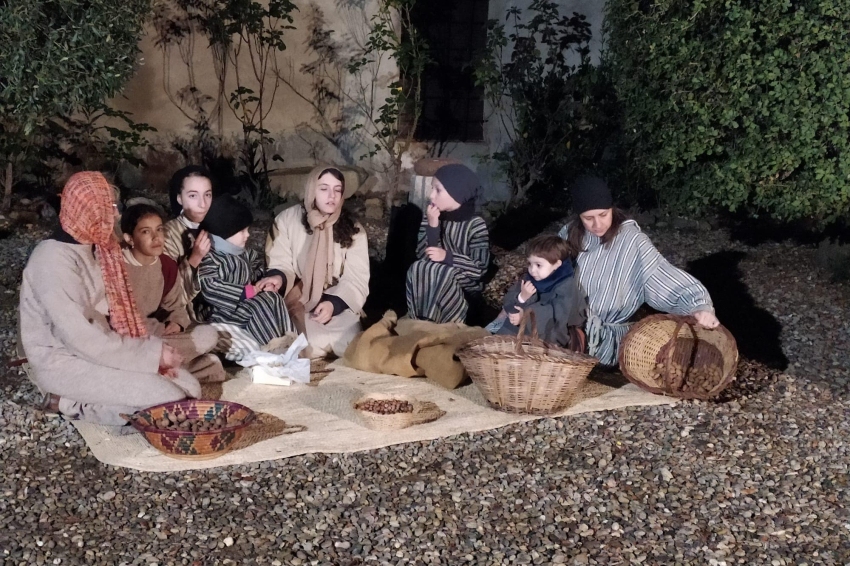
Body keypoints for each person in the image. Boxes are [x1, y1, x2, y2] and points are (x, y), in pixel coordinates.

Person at [19, 172, 200, 425]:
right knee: (168, 398)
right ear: (88, 210)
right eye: (110, 207)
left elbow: (112, 321)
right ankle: (67, 401)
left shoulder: (98, 247)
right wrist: (150, 356)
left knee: (191, 388)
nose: (115, 215)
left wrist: (150, 352)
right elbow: (82, 339)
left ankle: (117, 403)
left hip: (101, 350)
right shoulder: (51, 260)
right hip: (64, 361)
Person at [558, 175, 720, 366]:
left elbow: (661, 276)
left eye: (603, 215)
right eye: (588, 218)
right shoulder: (569, 233)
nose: (597, 225)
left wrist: (698, 307)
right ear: (578, 217)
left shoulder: (632, 240)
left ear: (612, 209)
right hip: (567, 332)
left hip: (607, 343)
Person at [265, 166, 370, 358]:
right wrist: (278, 279)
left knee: (350, 342)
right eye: (323, 188)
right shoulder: (287, 220)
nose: (331, 196)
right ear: (312, 189)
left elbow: (357, 277)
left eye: (337, 190)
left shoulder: (354, 229)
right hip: (298, 300)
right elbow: (280, 262)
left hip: (336, 303)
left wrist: (334, 304)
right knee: (297, 341)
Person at [120, 203, 225, 384]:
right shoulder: (117, 268)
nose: (156, 237)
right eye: (146, 232)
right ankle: (185, 370)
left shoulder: (166, 266)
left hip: (159, 336)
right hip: (128, 339)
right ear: (129, 238)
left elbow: (176, 305)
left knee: (208, 334)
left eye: (159, 230)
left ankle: (158, 371)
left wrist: (177, 322)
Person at [197, 195, 294, 347]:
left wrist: (262, 283)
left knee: (272, 298)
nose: (247, 235)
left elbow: (256, 266)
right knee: (259, 306)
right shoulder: (212, 258)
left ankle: (290, 340)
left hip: (246, 304)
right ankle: (273, 347)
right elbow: (208, 286)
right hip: (223, 313)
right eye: (242, 231)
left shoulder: (244, 253)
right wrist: (244, 292)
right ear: (225, 233)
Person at [405, 163, 490, 323]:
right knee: (417, 267)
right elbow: (423, 255)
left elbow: (480, 268)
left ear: (456, 192)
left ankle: (443, 324)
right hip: (434, 274)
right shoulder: (432, 216)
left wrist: (448, 257)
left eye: (438, 190)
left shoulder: (475, 224)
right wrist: (432, 226)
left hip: (465, 283)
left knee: (442, 272)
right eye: (432, 189)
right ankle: (418, 320)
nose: (431, 196)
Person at [496, 234, 586, 349]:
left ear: (556, 264)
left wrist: (525, 317)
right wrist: (522, 297)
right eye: (530, 264)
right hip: (518, 329)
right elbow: (510, 299)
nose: (532, 270)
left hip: (548, 333)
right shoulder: (528, 279)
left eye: (538, 265)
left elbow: (557, 315)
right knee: (504, 335)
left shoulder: (566, 286)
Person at [162, 166, 214, 321]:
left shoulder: (219, 228)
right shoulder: (167, 235)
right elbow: (168, 296)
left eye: (208, 195)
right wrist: (195, 258)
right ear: (179, 198)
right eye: (193, 196)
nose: (203, 204)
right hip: (186, 317)